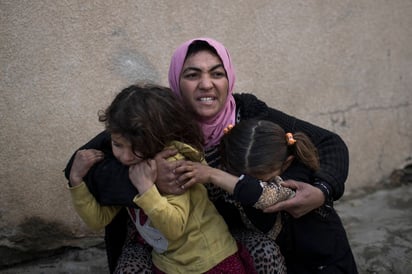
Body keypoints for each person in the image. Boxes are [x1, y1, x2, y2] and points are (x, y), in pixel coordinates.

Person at [64, 37, 349, 273]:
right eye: (192, 74)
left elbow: (329, 143)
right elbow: (78, 165)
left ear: (229, 78)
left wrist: (322, 190)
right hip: (166, 245)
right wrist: (149, 178)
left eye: (217, 73)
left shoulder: (249, 114)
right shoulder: (154, 121)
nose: (206, 84)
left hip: (225, 240)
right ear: (176, 80)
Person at [68, 84, 256, 273]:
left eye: (137, 148)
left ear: (158, 138)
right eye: (117, 144)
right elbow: (98, 219)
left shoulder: (172, 165)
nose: (125, 156)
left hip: (210, 260)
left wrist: (147, 189)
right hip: (169, 264)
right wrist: (77, 181)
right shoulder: (131, 169)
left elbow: (175, 228)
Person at [184, 119, 358, 273]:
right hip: (291, 261)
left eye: (260, 179)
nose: (246, 183)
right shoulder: (236, 183)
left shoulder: (296, 178)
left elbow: (263, 195)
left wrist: (213, 175)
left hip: (326, 261)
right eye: (240, 177)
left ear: (286, 164)